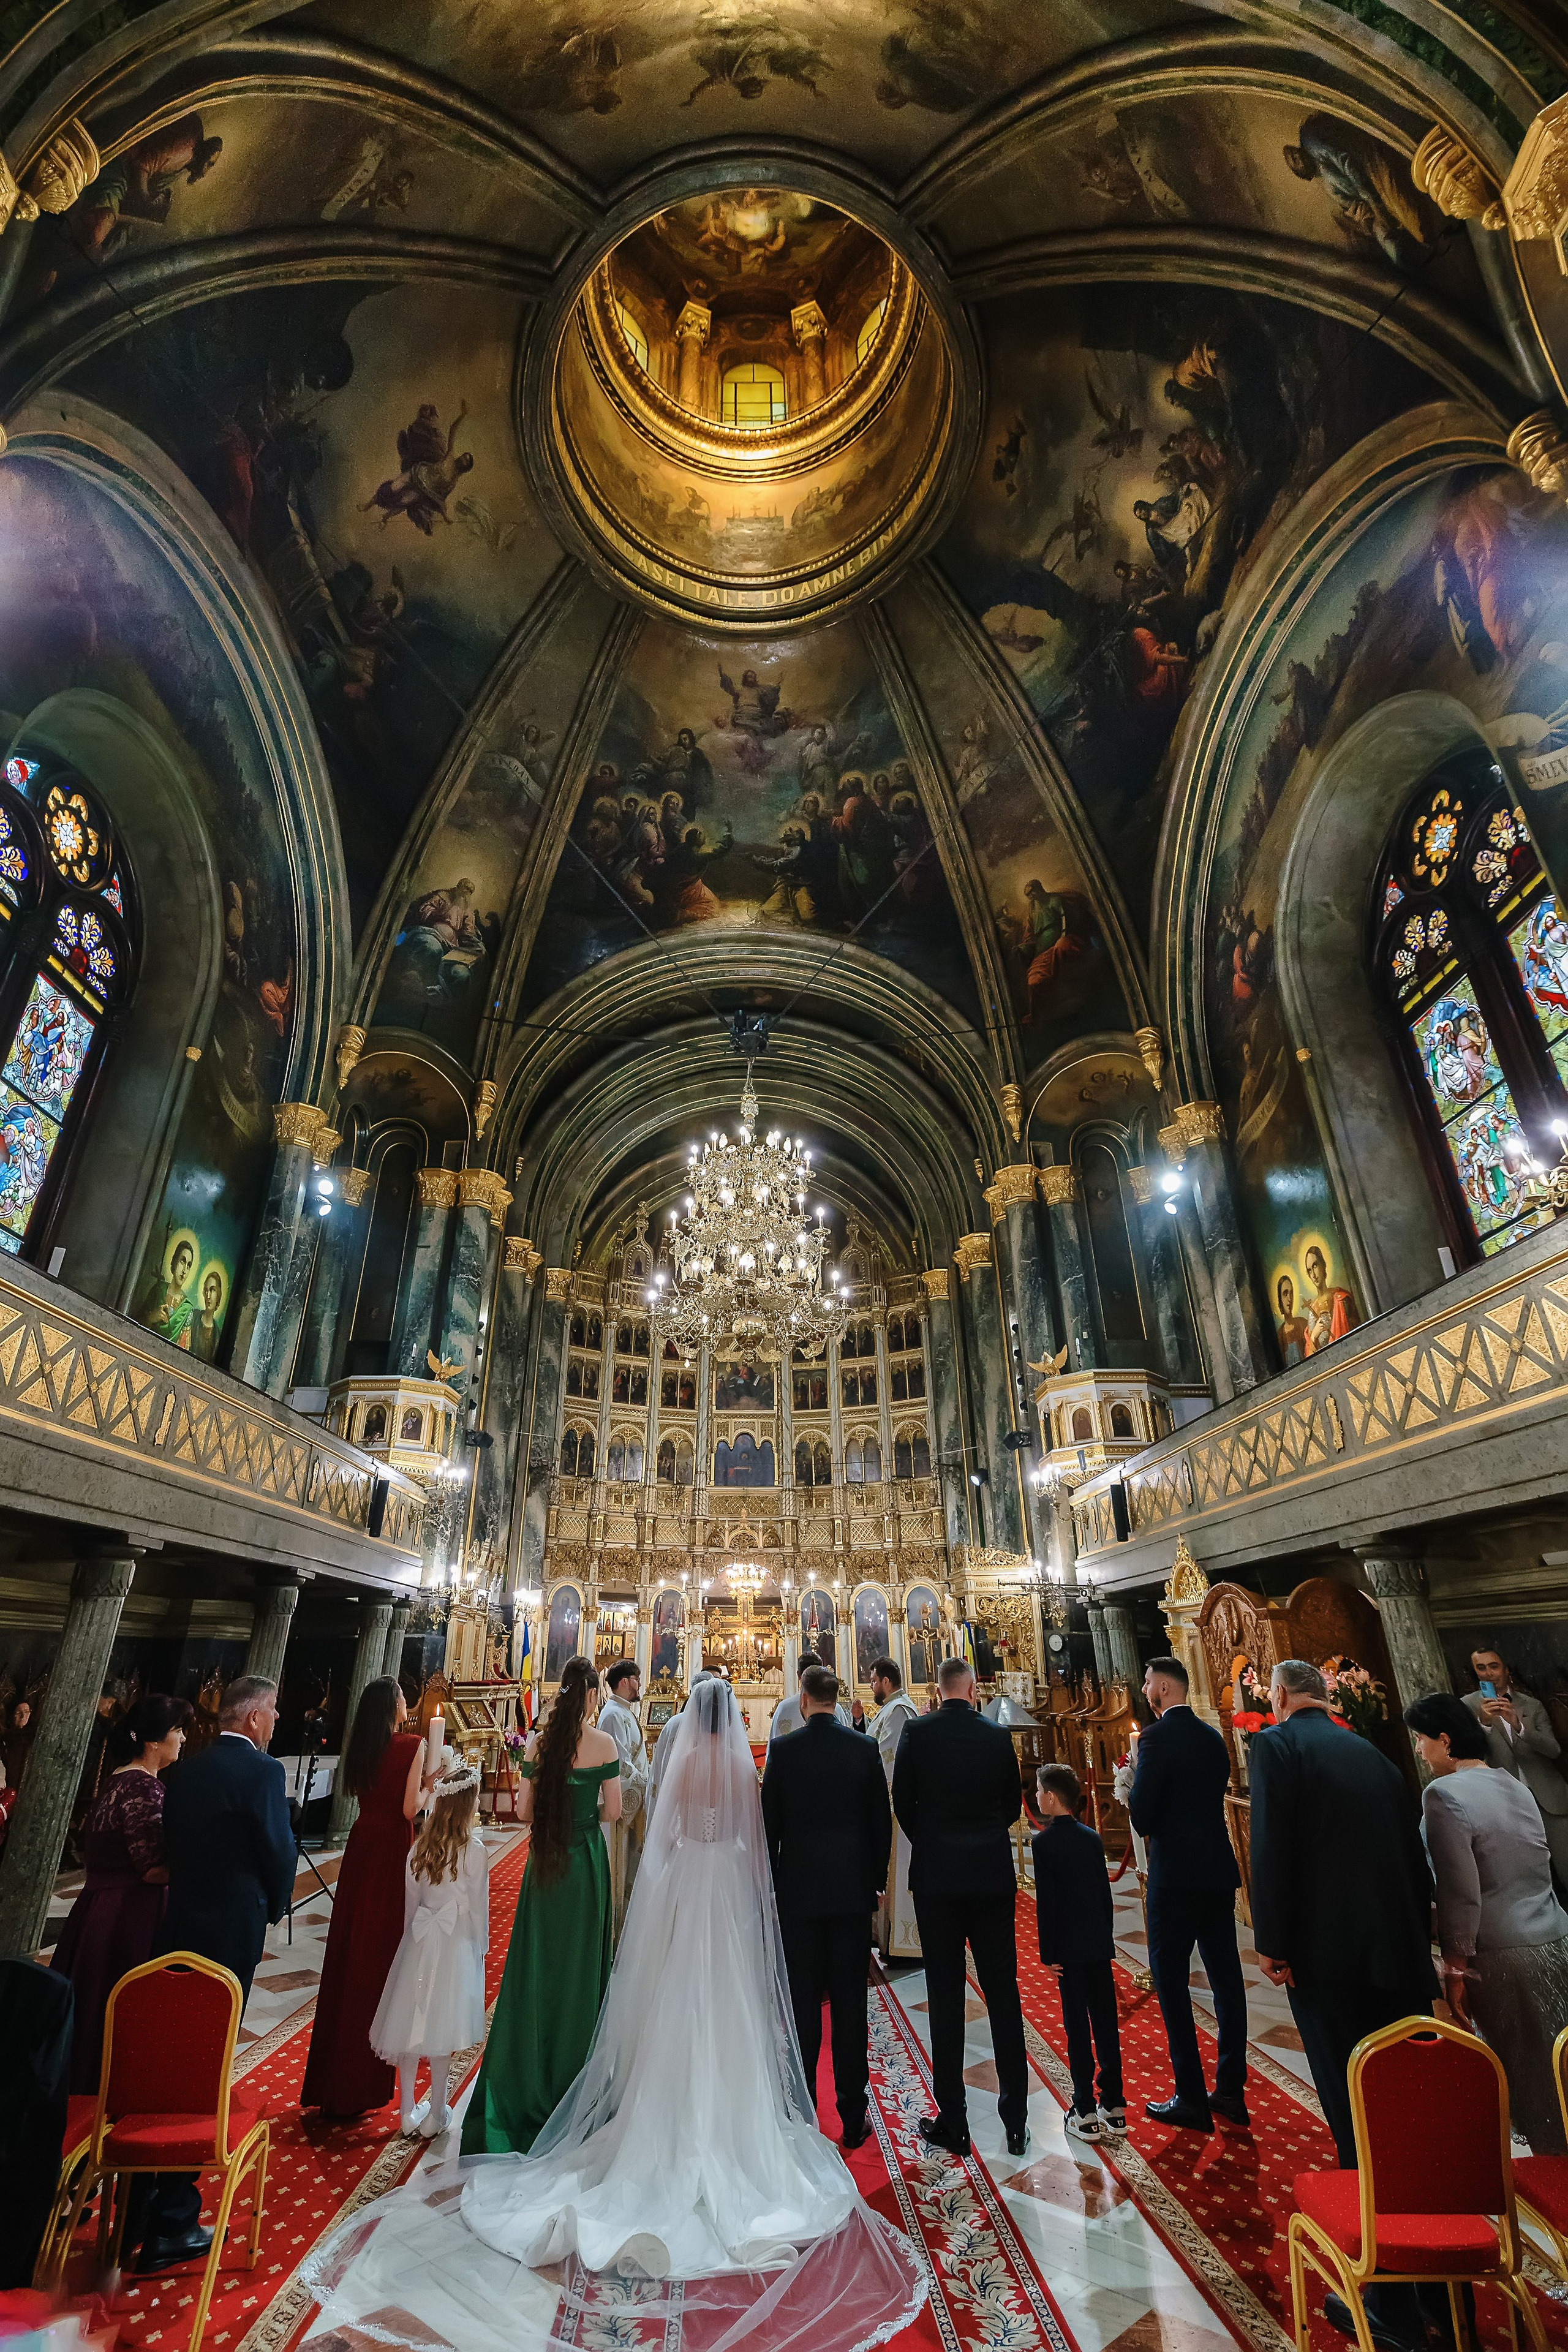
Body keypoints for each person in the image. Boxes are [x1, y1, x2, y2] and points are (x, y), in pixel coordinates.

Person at [303, 1679, 925, 2352]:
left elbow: (665, 1830)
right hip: (728, 1890)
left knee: (676, 1995)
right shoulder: (743, 1764)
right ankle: (736, 2107)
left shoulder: (682, 1760)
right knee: (731, 2005)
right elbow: (755, 1838)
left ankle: (655, 2100)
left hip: (687, 1884)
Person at [1251, 1659, 1436, 2352]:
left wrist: (1270, 1939)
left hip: (1328, 1962)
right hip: (1397, 1960)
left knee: (1352, 2113)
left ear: (1278, 1697)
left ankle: (1385, 2298)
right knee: (1406, 2118)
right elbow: (1412, 1858)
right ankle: (1436, 2295)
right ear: (1328, 1696)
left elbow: (1271, 1849)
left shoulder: (1276, 1746)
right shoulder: (1375, 1756)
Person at [140, 1675, 294, 2276]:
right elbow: (277, 1851)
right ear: (254, 1717)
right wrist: (273, 1905)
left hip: (180, 1924)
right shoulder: (262, 1773)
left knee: (174, 2057)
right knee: (209, 2061)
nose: (277, 1721)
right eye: (274, 1712)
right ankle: (175, 2216)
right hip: (232, 1930)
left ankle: (153, 2194)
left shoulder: (187, 1772)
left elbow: (173, 1845)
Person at [462, 1656, 622, 2154]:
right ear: (593, 1694)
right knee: (580, 1971)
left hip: (545, 1863)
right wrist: (585, 1807)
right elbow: (614, 1811)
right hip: (585, 1865)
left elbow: (523, 1810)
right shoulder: (604, 1744)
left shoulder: (538, 1743)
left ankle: (527, 2080)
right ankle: (576, 2088)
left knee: (537, 1969)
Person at [1407, 1691, 1568, 2153]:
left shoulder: (1442, 1794)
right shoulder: (1511, 1783)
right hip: (1555, 1937)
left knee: (1534, 2080)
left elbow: (1460, 1893)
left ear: (1444, 1739)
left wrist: (1455, 1968)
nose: (1419, 1750)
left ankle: (1557, 2191)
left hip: (1505, 1956)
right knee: (1563, 2068)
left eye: (1421, 1739)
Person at [892, 1654, 1030, 2157]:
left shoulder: (919, 1733)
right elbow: (1013, 1803)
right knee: (1003, 1992)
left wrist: (931, 1842)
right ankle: (1016, 2118)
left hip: (938, 1881)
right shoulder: (996, 1737)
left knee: (945, 1995)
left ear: (939, 1688)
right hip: (991, 1879)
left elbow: (902, 1801)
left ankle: (954, 2119)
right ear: (972, 1690)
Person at [761, 1663, 892, 2147]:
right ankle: (853, 2113)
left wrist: (774, 1885)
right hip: (852, 1892)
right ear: (837, 1700)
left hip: (798, 1893)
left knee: (802, 2003)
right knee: (850, 2004)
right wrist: (876, 1883)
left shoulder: (785, 1749)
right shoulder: (862, 1747)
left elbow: (768, 1825)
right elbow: (881, 1820)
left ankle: (803, 2112)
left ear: (803, 1697)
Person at [1126, 1655, 1248, 2132]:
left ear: (1162, 1687)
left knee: (1171, 1981)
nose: (1144, 1688)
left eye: (1147, 1682)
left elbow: (1143, 1816)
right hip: (1216, 1871)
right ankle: (1232, 2091)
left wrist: (1134, 1777)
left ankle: (1191, 2096)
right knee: (1226, 1980)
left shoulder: (1156, 1739)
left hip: (1175, 1877)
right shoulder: (1211, 1738)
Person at [302, 1675, 429, 2119]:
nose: (406, 1704)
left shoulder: (361, 1747)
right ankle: (363, 2080)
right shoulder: (411, 1745)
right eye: (402, 1699)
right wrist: (436, 1783)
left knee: (351, 1949)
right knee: (381, 1954)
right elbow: (410, 1809)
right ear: (395, 1705)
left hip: (362, 1845)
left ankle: (332, 2076)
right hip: (393, 1845)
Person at [51, 1692, 191, 2092]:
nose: (182, 1739)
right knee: (116, 2009)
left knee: (93, 2006)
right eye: (178, 1731)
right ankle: (109, 2099)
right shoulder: (142, 1788)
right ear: (154, 1741)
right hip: (126, 1915)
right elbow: (150, 1869)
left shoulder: (117, 1779)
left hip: (98, 1909)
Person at [371, 1757, 489, 2141]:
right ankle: (436, 2111)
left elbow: (411, 1908)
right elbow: (477, 1908)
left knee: (411, 2024)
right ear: (467, 1806)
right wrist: (480, 1951)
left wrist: (409, 1943)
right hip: (456, 1944)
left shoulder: (418, 1851)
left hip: (420, 1942)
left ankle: (407, 2112)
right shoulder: (474, 1851)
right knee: (443, 2028)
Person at [1033, 1763, 1125, 2143]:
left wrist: (1048, 1952)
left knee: (1077, 2025)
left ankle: (1085, 2108)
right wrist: (1106, 1939)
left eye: (1039, 1791)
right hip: (1097, 1944)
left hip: (1068, 1950)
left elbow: (1048, 1903)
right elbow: (1104, 1897)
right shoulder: (1091, 1839)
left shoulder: (1044, 1843)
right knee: (1105, 2022)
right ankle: (1115, 2105)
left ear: (1052, 1799)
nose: (1036, 1797)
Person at [1464, 1647, 1568, 1892]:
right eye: (1481, 1668)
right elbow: (1468, 1757)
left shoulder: (1531, 1705)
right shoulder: (1467, 1707)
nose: (1488, 1673)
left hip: (1550, 1799)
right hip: (1505, 1804)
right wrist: (1485, 1725)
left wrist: (1520, 1726)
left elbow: (1553, 1750)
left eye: (1494, 1666)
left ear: (1506, 1670)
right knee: (1527, 1876)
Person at [871, 1656, 919, 1959]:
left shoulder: (899, 1710)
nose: (873, 1686)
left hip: (895, 1807)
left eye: (874, 1680)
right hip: (889, 1806)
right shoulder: (891, 1709)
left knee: (898, 1873)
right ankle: (890, 1941)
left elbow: (886, 1756)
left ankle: (904, 1946)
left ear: (887, 1682)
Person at [598, 1657, 648, 1937]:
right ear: (625, 1681)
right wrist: (646, 1784)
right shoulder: (613, 1715)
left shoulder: (623, 1711)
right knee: (621, 1864)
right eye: (636, 1679)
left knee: (632, 1861)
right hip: (623, 1804)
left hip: (634, 1800)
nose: (639, 1684)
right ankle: (617, 1930)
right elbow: (618, 1764)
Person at [769, 1651, 851, 1739]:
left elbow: (773, 1748)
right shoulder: (835, 1709)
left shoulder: (783, 1708)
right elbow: (847, 1741)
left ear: (798, 1675)